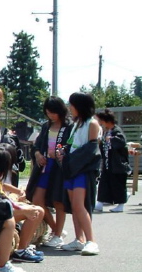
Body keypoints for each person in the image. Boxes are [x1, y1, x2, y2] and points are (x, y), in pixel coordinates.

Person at [57, 92, 101, 255]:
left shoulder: (93, 123)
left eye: (72, 104)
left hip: (82, 169)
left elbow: (91, 148)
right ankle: (79, 239)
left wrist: (71, 159)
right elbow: (68, 144)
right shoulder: (75, 125)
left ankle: (92, 241)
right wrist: (61, 153)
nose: (69, 107)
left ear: (80, 106)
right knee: (73, 206)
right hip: (71, 169)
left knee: (78, 205)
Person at [25, 96, 73, 248]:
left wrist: (60, 153)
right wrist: (38, 154)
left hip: (60, 168)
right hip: (45, 166)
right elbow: (37, 146)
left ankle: (57, 234)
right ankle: (55, 229)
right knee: (37, 199)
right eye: (48, 112)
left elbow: (72, 147)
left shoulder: (69, 127)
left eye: (53, 112)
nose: (51, 115)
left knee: (59, 200)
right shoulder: (46, 126)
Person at [95, 109, 130, 213]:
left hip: (117, 165)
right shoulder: (107, 132)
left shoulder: (116, 131)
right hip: (108, 164)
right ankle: (100, 203)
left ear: (107, 120)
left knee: (117, 185)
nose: (100, 123)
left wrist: (111, 139)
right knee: (104, 184)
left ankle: (120, 205)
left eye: (101, 121)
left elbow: (121, 142)